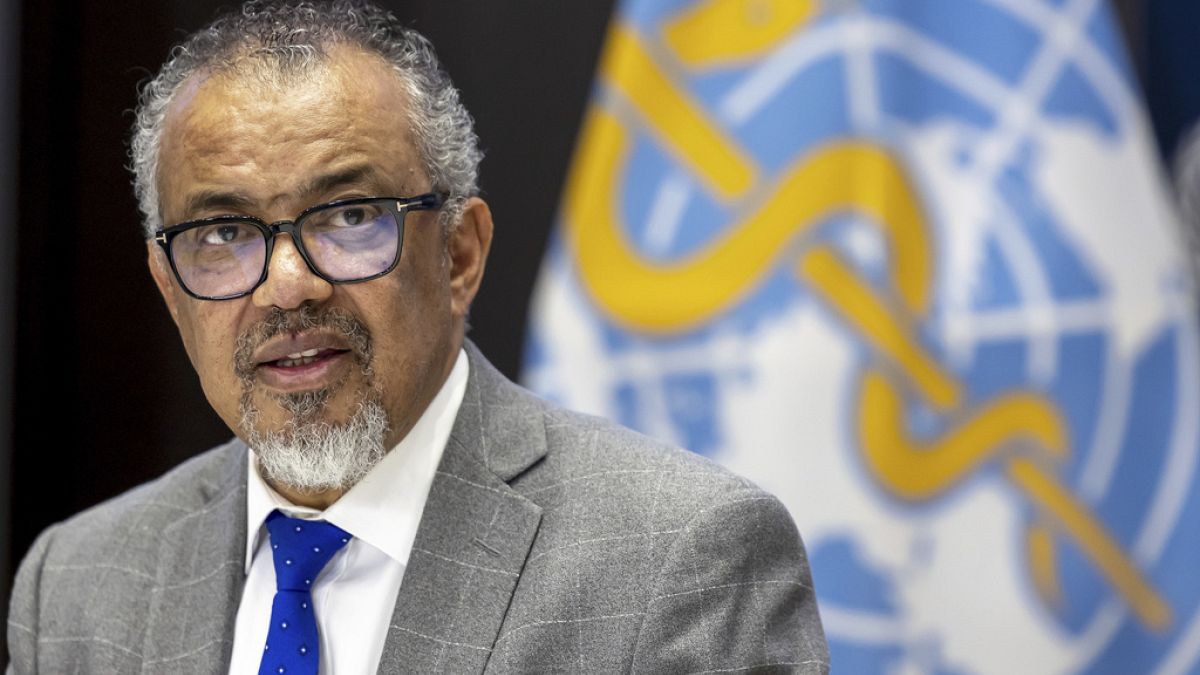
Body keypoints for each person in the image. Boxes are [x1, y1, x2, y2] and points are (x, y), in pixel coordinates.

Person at [5, 1, 827, 672]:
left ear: (460, 255)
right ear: (168, 289)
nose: (287, 283)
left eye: (352, 215)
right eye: (222, 233)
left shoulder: (684, 561)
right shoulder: (76, 584)